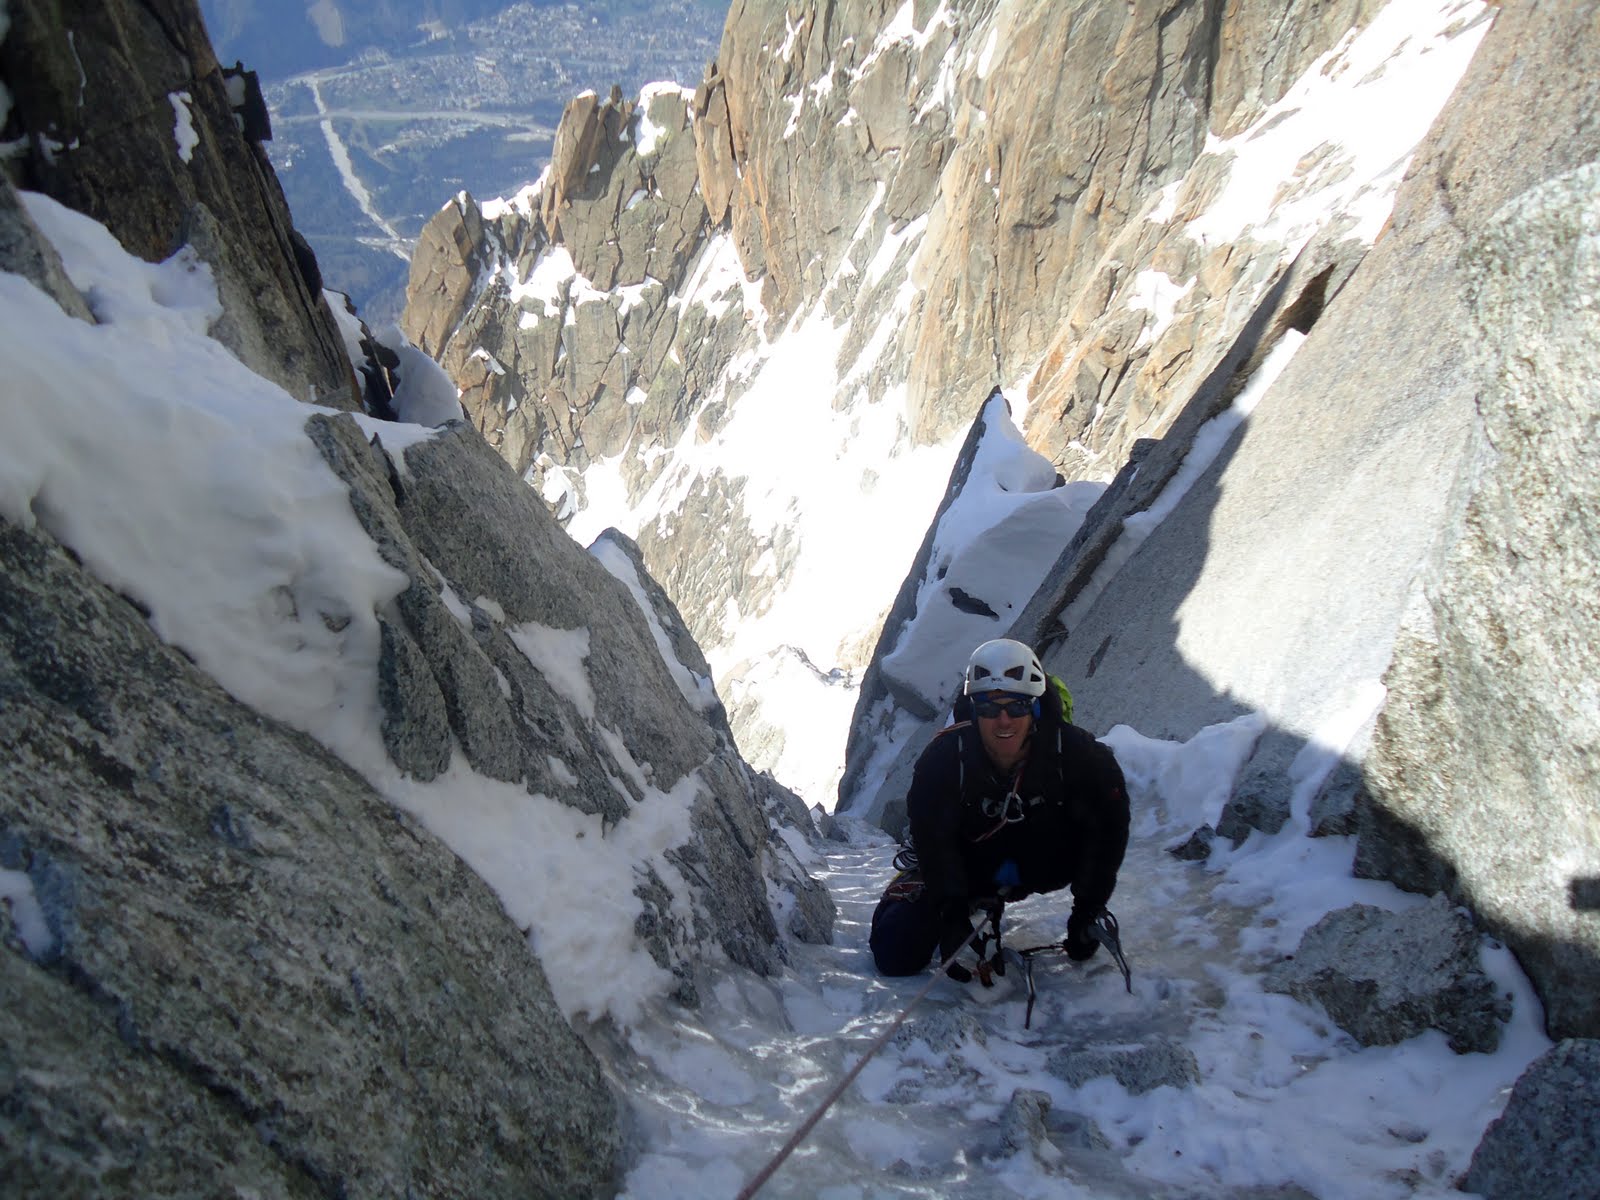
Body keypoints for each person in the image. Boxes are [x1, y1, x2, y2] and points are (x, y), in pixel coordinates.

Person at [870, 638, 1130, 981]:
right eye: (990, 707)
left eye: (1017, 706)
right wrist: (951, 912)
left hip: (1045, 861)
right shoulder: (944, 761)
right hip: (973, 865)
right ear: (975, 710)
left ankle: (985, 901)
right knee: (896, 951)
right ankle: (957, 898)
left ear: (1035, 708)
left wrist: (1087, 908)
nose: (1003, 720)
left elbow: (1108, 832)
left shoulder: (1082, 758)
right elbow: (933, 838)